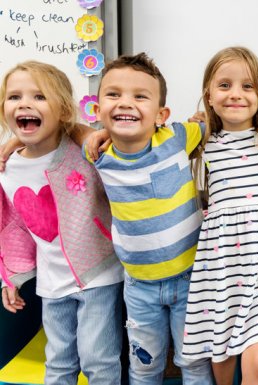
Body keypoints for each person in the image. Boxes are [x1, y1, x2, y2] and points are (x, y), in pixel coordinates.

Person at [83, 53, 213, 385]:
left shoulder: (177, 137)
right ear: (97, 112)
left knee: (195, 364)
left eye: (140, 96)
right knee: (144, 367)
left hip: (191, 281)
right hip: (139, 286)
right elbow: (61, 128)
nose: (125, 103)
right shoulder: (96, 154)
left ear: (161, 115)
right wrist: (12, 140)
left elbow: (220, 116)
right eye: (114, 95)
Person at [0, 61, 124, 385]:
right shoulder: (7, 168)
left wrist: (81, 131)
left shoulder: (83, 149)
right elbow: (12, 226)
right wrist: (11, 277)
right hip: (52, 283)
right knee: (58, 364)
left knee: (99, 362)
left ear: (64, 109)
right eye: (14, 97)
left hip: (98, 274)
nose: (25, 104)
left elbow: (116, 139)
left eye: (39, 96)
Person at [180, 46, 258, 385]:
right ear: (208, 96)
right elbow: (140, 137)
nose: (236, 94)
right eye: (224, 85)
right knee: (221, 362)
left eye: (248, 86)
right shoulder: (201, 139)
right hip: (220, 271)